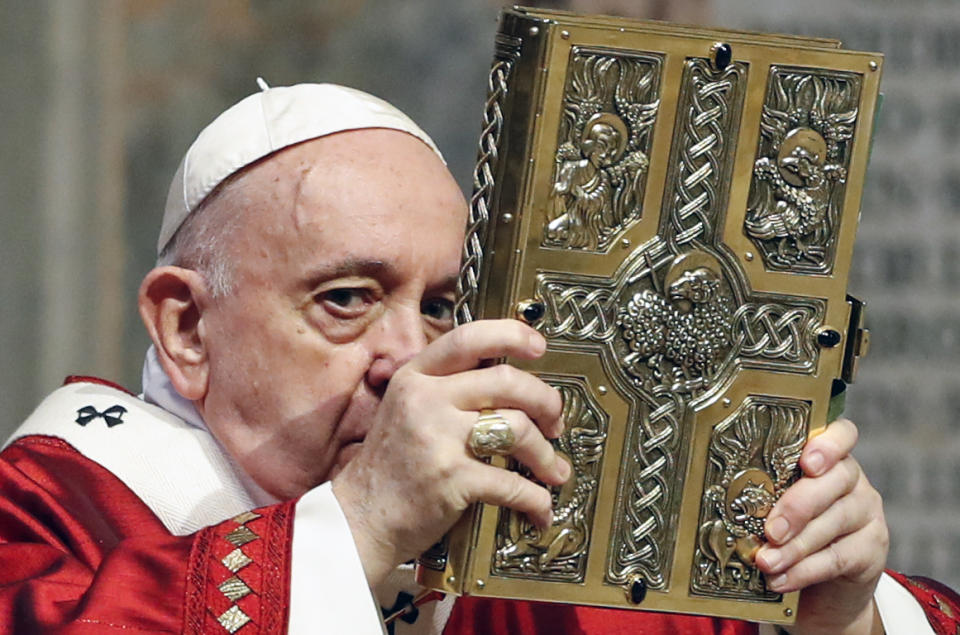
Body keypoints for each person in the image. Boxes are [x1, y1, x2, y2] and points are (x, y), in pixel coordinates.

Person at [1, 82, 956, 635]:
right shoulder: (53, 506)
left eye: (446, 305)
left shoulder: (542, 555)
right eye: (347, 300)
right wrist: (361, 527)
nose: (414, 360)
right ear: (185, 329)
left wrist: (840, 619)